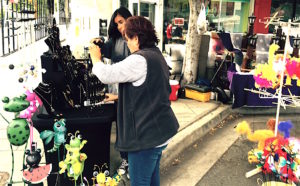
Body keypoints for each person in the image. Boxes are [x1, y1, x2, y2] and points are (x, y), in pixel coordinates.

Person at [89, 16, 179, 186]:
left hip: (146, 137)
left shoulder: (139, 59)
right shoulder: (156, 54)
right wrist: (117, 97)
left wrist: (95, 58)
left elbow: (106, 75)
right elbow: (150, 90)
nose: (127, 43)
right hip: (159, 132)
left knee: (140, 182)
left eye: (127, 39)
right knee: (151, 179)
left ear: (136, 38)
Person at [90, 6, 131, 177]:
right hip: (115, 83)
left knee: (129, 125)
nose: (120, 26)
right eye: (117, 24)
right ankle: (125, 159)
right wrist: (97, 42)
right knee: (120, 125)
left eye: (122, 22)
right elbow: (104, 51)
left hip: (129, 86)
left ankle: (132, 161)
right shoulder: (114, 40)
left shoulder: (135, 40)